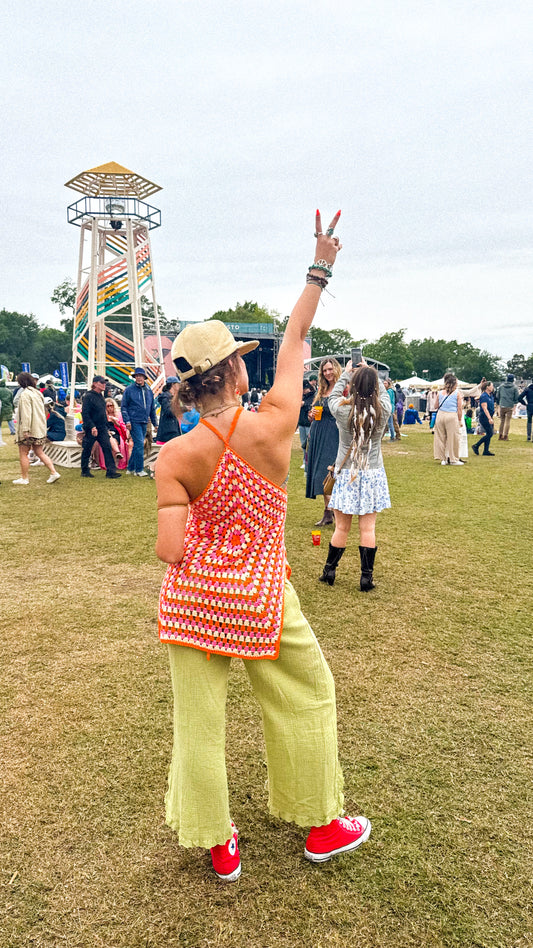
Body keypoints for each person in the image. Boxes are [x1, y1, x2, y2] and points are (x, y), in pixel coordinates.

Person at [155, 211, 371, 883]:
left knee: (198, 724)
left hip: (192, 604)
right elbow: (296, 336)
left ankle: (219, 845)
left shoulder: (173, 455)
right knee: (307, 694)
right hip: (259, 595)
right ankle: (320, 826)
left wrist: (203, 534)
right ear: (233, 372)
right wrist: (320, 264)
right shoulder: (276, 423)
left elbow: (169, 549)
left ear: (192, 382)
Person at [319, 361, 391, 591]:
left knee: (342, 528)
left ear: (354, 385)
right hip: (371, 473)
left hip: (347, 472)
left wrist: (347, 374)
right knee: (367, 529)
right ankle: (365, 578)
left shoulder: (343, 410)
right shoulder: (383, 411)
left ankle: (329, 572)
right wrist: (372, 373)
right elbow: (385, 395)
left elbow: (333, 397)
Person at [305, 357, 342, 525]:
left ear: (335, 369)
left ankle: (334, 512)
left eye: (329, 369)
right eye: (324, 371)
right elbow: (311, 415)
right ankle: (328, 513)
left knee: (329, 474)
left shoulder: (343, 389)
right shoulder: (321, 389)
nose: (327, 373)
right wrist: (311, 415)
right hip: (318, 433)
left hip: (333, 434)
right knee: (320, 474)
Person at [12, 373, 61, 485]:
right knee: (39, 451)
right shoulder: (38, 393)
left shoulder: (25, 395)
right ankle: (53, 472)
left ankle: (24, 478)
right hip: (39, 428)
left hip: (29, 428)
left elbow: (26, 413)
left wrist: (25, 429)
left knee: (23, 453)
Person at [80, 376, 122, 479]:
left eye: (104, 383)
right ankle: (85, 470)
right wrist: (92, 427)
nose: (104, 384)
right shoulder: (88, 396)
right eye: (102, 382)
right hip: (92, 427)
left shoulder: (101, 396)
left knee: (107, 447)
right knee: (87, 448)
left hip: (102, 427)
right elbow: (85, 414)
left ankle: (111, 471)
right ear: (95, 384)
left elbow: (102, 413)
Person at [120, 367, 158, 476]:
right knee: (140, 444)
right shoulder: (129, 390)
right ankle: (139, 469)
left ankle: (131, 468)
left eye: (140, 376)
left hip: (144, 421)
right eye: (137, 376)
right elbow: (124, 407)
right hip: (133, 421)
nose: (138, 378)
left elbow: (152, 409)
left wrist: (155, 424)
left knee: (138, 445)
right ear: (135, 377)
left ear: (144, 378)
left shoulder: (148, 390)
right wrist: (127, 421)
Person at [433, 373, 464, 466]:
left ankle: (443, 459)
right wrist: (459, 420)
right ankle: (453, 458)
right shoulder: (457, 393)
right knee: (453, 438)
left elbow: (435, 406)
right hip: (451, 416)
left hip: (440, 415)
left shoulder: (440, 393)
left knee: (440, 438)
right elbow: (459, 409)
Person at [472, 381, 496, 456]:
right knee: (490, 433)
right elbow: (485, 408)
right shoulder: (484, 396)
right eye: (491, 386)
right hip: (484, 417)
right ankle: (476, 445)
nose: (492, 387)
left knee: (489, 433)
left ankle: (486, 450)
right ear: (487, 387)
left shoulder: (490, 395)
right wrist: (489, 418)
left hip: (490, 416)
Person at [156, 377, 182, 444]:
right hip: (169, 432)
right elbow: (169, 411)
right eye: (178, 384)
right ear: (173, 385)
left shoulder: (170, 397)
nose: (179, 386)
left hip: (172, 431)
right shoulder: (166, 397)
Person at [496, 374, 519, 440]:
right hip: (510, 405)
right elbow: (516, 397)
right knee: (507, 421)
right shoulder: (515, 387)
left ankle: (500, 435)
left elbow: (498, 396)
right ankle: (505, 435)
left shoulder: (501, 386)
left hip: (502, 404)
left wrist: (499, 403)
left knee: (502, 421)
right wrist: (515, 404)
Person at [298, 379, 315, 470]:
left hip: (309, 423)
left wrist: (304, 404)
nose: (303, 391)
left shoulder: (313, 396)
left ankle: (309, 461)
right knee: (303, 444)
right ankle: (305, 461)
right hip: (302, 423)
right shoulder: (301, 396)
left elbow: (312, 406)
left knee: (309, 444)